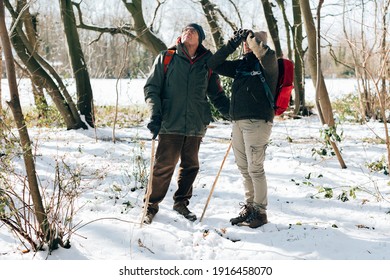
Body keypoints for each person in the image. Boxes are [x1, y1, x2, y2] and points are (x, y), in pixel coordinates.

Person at [143, 23, 230, 224]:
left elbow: (216, 93)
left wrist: (232, 113)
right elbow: (151, 88)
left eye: (192, 31)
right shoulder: (167, 58)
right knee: (164, 166)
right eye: (184, 30)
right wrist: (155, 115)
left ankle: (181, 203)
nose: (187, 32)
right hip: (170, 122)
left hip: (196, 124)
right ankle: (150, 206)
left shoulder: (207, 62)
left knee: (191, 166)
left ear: (199, 39)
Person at [207, 29, 278, 228]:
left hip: (258, 122)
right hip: (237, 122)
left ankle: (261, 212)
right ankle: (250, 208)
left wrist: (250, 37)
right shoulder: (241, 66)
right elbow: (212, 64)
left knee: (255, 168)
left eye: (252, 41)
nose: (247, 44)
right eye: (246, 42)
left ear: (260, 43)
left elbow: (266, 53)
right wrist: (232, 42)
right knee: (244, 168)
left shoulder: (269, 64)